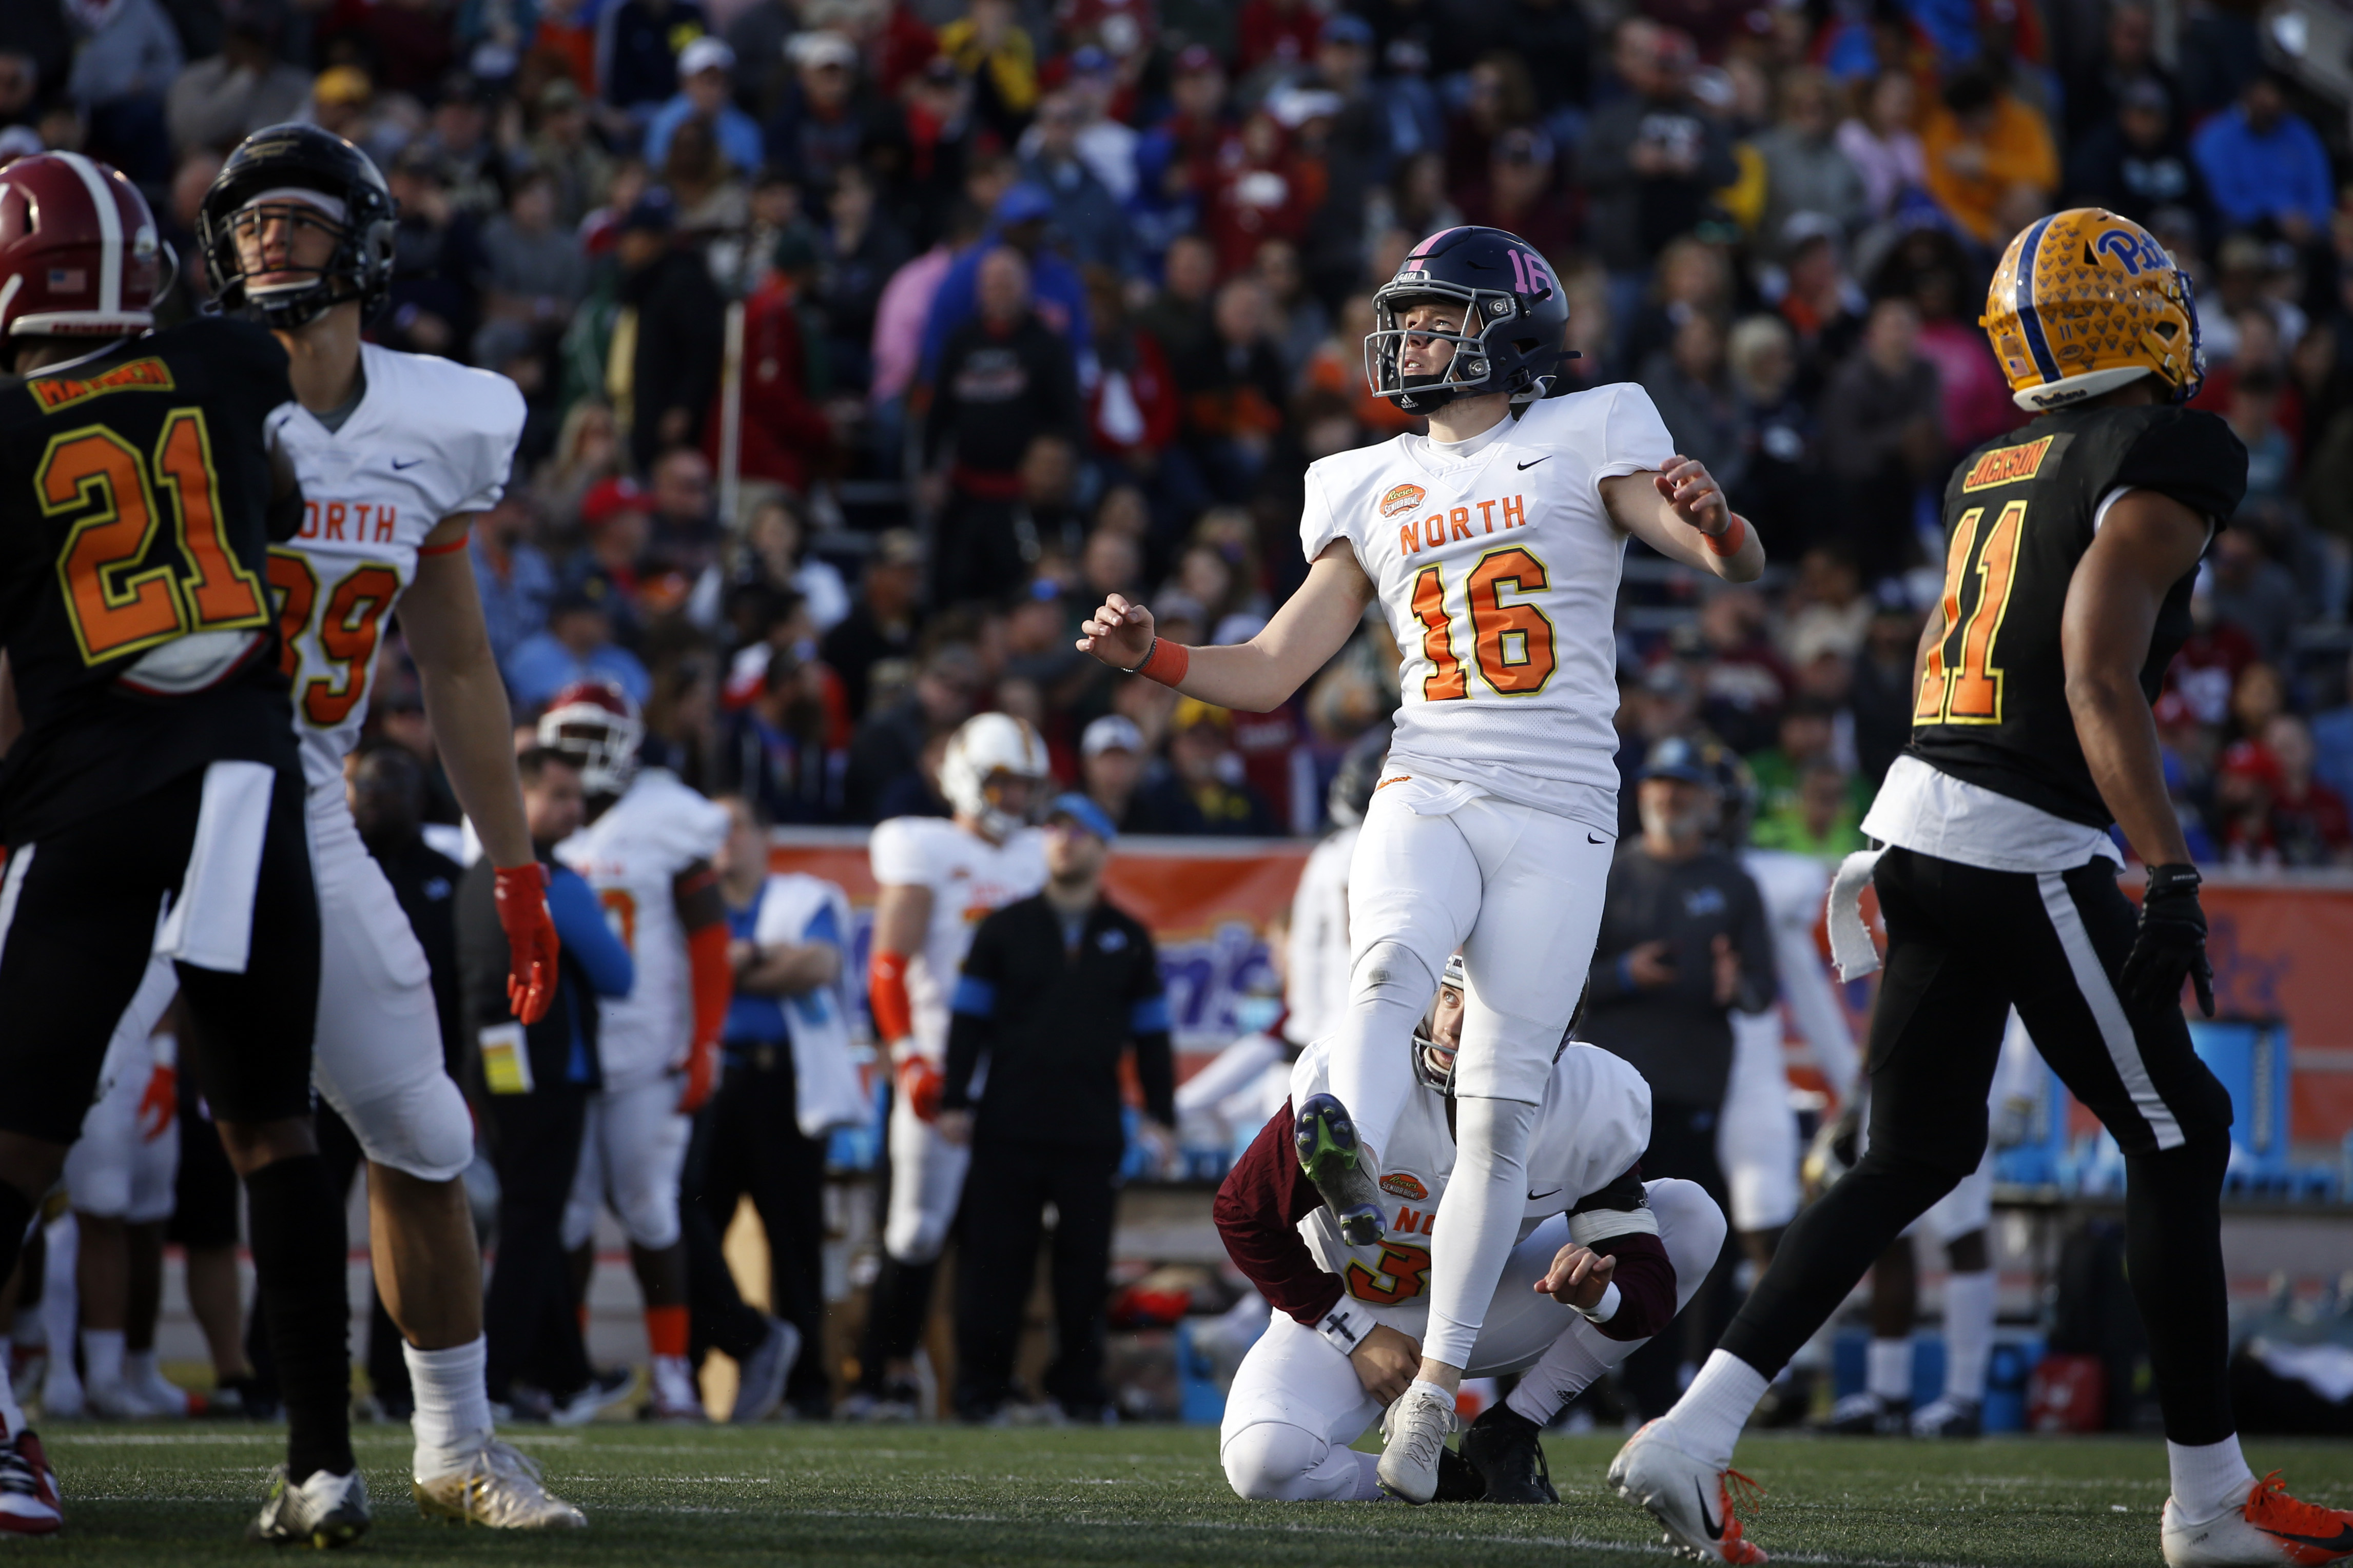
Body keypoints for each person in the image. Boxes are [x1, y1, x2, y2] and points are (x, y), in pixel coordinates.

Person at [1608, 209, 2353, 1567]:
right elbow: (2092, 673)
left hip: (1918, 818)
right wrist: (2170, 869)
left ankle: (1690, 1432)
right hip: (2017, 835)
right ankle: (2207, 1500)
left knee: (1912, 1152)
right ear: (2139, 318)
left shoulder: (1993, 458)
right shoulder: (2170, 444)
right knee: (2179, 1128)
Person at [1077, 223, 1763, 1504]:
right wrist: (1159, 658)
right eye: (1409, 316)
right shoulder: (1361, 478)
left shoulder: (1593, 426)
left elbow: (1724, 559)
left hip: (1561, 800)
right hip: (1427, 769)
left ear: (1510, 331)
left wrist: (1720, 530)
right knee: (1390, 963)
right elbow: (1277, 667)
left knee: (1504, 1098)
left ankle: (1440, 1395)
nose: (1413, 337)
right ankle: (1338, 1123)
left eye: (1439, 317)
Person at [197, 125, 578, 1530]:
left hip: (301, 796)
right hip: (128, 785)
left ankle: (456, 1445)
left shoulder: (445, 416)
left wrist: (516, 866)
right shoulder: (175, 388)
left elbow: (461, 666)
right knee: (28, 1123)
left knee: (422, 1131)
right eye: (248, 223)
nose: (269, 242)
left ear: (365, 245)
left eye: (298, 219)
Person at [0, 151, 345, 1543]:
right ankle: (324, 1460)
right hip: (244, 790)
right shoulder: (223, 358)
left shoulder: (9, 426)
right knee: (274, 1133)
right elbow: (300, 511)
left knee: (18, 1145)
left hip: (85, 796)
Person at [1214, 953, 1728, 1503]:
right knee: (1263, 1464)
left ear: (1548, 1028)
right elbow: (1243, 1214)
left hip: (1487, 1308)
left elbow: (1646, 1286)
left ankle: (1512, 1425)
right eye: (1450, 996)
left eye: (1481, 1006)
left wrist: (1601, 1296)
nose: (1452, 1023)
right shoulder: (1353, 1075)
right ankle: (1453, 1484)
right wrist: (1354, 1332)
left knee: (1691, 1215)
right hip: (1344, 1309)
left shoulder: (1589, 1103)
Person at [936, 794, 1173, 1421]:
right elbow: (966, 1023)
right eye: (1053, 828)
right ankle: (982, 1392)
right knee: (994, 1265)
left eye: (1078, 829)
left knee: (1083, 1271)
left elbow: (1152, 1036)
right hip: (1007, 1123)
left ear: (1102, 845)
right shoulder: (1003, 928)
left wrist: (1162, 1115)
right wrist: (955, 1097)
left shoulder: (1129, 938)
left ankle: (1080, 1393)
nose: (1062, 839)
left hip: (1090, 1128)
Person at [539, 681, 735, 1424]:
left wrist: (705, 1041)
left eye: (599, 740)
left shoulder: (668, 820)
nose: (586, 760)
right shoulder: (528, 815)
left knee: (652, 1210)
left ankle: (675, 1374)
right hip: (564, 1047)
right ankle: (571, 1370)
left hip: (648, 1048)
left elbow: (710, 941)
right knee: (569, 1216)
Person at [848, 713, 1049, 1420]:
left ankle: (982, 1390)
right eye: (1004, 783)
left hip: (1013, 1074)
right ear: (968, 779)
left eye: (1026, 785)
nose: (1017, 800)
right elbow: (886, 968)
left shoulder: (1034, 856)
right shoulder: (922, 846)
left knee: (1002, 1240)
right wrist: (907, 1057)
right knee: (915, 1231)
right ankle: (883, 1377)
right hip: (940, 1062)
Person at [1581, 736, 1774, 1419]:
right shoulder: (1608, 873)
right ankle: (1589, 1389)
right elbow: (1565, 981)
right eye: (1661, 786)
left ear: (1709, 803)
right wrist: (1626, 975)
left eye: (1685, 788)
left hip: (1690, 1090)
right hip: (1607, 1096)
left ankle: (1669, 1390)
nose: (1670, 798)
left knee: (1688, 1242)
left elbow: (1762, 990)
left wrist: (1735, 986)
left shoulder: (1733, 884)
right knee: (1595, 1235)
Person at [457, 748, 636, 1427]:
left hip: (493, 1071)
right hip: (552, 1070)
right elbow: (620, 976)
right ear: (518, 798)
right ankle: (499, 1378)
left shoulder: (475, 879)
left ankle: (561, 1375)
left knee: (531, 1221)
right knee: (535, 1225)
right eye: (558, 795)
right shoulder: (554, 883)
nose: (574, 808)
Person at [694, 795, 856, 1421]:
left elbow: (817, 965)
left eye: (735, 823)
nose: (723, 838)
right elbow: (691, 972)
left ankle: (808, 1389)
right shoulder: (697, 897)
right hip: (713, 1079)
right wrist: (768, 960)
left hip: (780, 1081)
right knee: (695, 1230)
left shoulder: (802, 896)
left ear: (767, 834)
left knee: (795, 1240)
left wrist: (740, 961)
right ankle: (689, 1372)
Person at [56, 965, 189, 1418]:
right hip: (83, 1040)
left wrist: (166, 1059)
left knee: (151, 1215)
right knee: (98, 1211)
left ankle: (139, 1368)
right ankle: (91, 1374)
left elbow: (165, 961)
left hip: (145, 1051)